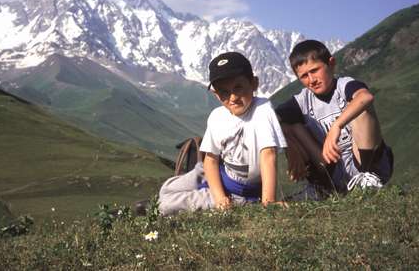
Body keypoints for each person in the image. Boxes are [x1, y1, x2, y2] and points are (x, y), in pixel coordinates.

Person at [158, 52, 287, 216]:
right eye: (224, 92)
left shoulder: (262, 109)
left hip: (238, 193)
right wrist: (219, 196)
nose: (232, 97)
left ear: (254, 83)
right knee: (167, 188)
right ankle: (199, 195)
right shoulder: (217, 116)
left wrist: (268, 202)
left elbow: (268, 154)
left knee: (164, 204)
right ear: (216, 94)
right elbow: (210, 161)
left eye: (238, 88)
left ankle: (171, 204)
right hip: (215, 172)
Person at [276, 40, 394, 199]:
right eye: (304, 76)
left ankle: (366, 179)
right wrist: (289, 148)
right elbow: (272, 119)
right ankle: (322, 187)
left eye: (315, 70)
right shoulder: (302, 100)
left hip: (364, 160)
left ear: (331, 64)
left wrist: (336, 126)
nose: (312, 80)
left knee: (361, 108)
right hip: (331, 168)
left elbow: (365, 97)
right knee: (289, 126)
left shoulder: (344, 85)